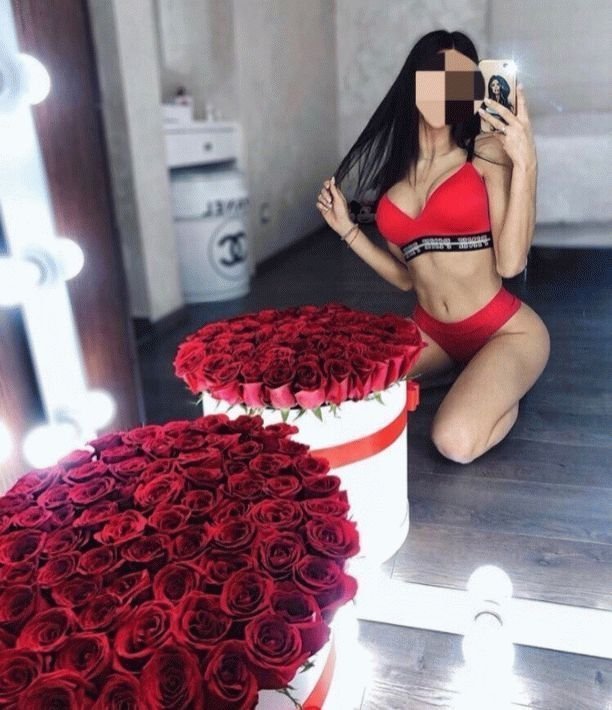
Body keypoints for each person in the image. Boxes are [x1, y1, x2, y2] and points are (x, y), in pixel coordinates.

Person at [315, 30, 550, 464]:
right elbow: (408, 278)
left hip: (505, 331)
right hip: (433, 334)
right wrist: (348, 230)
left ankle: (500, 388)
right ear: (415, 83)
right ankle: (469, 375)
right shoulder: (394, 181)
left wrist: (526, 161)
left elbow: (512, 263)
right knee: (353, 387)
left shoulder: (486, 154)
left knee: (454, 442)